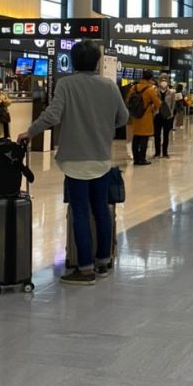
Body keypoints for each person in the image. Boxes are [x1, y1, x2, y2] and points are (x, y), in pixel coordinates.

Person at [17, 40, 129, 286]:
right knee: (101, 209)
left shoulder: (66, 84)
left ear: (74, 61)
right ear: (98, 62)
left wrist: (30, 131)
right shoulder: (109, 86)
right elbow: (123, 117)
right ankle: (103, 261)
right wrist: (102, 126)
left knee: (80, 211)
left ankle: (85, 268)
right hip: (101, 157)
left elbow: (53, 115)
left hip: (75, 160)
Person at [127, 70, 160, 165]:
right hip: (146, 117)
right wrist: (153, 109)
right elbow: (158, 103)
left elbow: (128, 99)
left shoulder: (134, 87)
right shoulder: (150, 90)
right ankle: (142, 159)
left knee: (136, 137)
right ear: (150, 78)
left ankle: (136, 158)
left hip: (135, 117)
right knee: (144, 138)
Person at [154, 76, 175, 157]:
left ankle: (165, 152)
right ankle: (157, 152)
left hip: (167, 115)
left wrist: (171, 113)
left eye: (165, 81)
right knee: (157, 135)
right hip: (157, 115)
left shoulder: (172, 92)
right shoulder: (155, 91)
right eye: (162, 81)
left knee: (166, 135)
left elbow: (173, 104)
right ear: (159, 82)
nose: (163, 82)